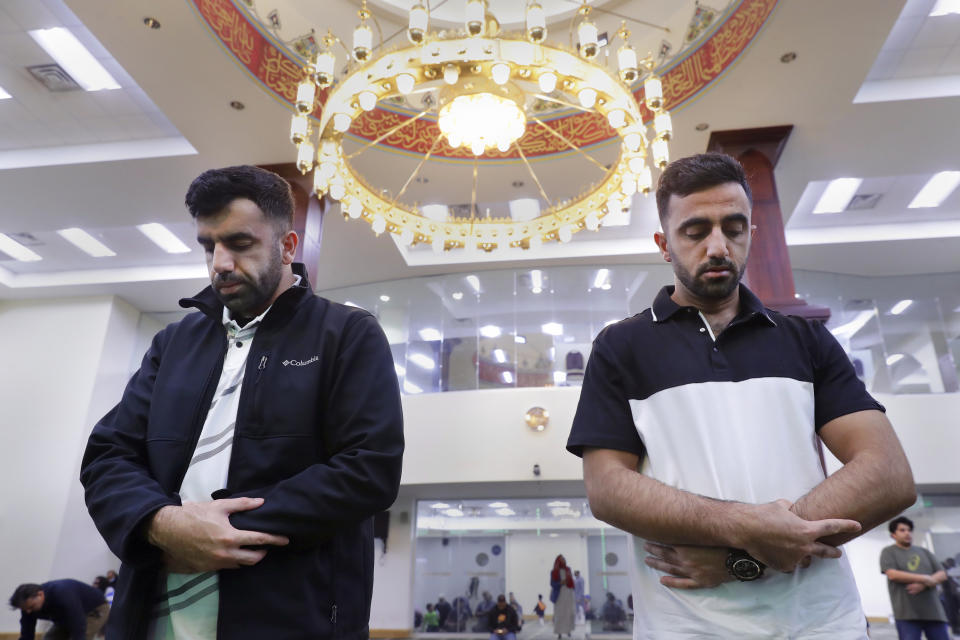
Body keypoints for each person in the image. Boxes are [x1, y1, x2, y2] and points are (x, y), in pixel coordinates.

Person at [566, 152, 917, 639]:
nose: (717, 246)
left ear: (752, 234)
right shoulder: (620, 346)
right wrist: (746, 524)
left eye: (733, 228)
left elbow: (889, 474)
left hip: (822, 624)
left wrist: (741, 558)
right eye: (695, 231)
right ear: (664, 245)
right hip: (684, 628)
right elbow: (607, 489)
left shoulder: (805, 339)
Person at [79, 165, 405, 638]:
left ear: (288, 247)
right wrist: (160, 523)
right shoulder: (173, 344)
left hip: (290, 617)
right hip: (149, 617)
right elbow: (109, 455)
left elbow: (368, 468)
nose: (220, 263)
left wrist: (221, 529)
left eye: (240, 243)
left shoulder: (347, 334)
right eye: (209, 246)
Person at [880, 516, 950, 639]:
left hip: (934, 613)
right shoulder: (889, 552)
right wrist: (926, 578)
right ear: (893, 535)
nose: (907, 533)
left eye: (909, 530)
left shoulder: (924, 552)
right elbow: (892, 574)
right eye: (902, 530)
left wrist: (924, 585)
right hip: (907, 615)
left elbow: (942, 574)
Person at [9, 580, 109, 640]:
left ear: (40, 594)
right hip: (66, 615)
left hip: (95, 608)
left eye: (31, 607)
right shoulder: (27, 606)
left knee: (82, 637)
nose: (28, 612)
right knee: (50, 638)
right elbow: (27, 634)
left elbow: (79, 626)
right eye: (25, 609)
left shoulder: (62, 595)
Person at [550, 555, 575, 637]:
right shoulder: (554, 572)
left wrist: (568, 582)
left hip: (568, 594)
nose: (564, 561)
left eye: (564, 559)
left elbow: (571, 581)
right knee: (559, 615)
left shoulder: (568, 570)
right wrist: (560, 583)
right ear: (558, 561)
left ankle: (568, 631)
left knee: (568, 613)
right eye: (562, 560)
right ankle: (559, 633)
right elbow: (552, 584)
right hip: (559, 595)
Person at [941, 558, 960, 635]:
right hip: (950, 595)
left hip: (952, 595)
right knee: (952, 611)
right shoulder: (946, 574)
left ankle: (955, 628)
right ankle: (955, 629)